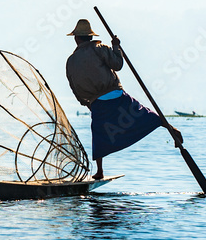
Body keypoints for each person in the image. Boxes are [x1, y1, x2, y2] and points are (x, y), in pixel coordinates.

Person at [65, 18, 180, 179]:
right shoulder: (100, 48)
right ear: (90, 37)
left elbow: (74, 86)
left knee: (98, 134)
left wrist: (85, 103)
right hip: (116, 95)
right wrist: (116, 46)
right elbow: (117, 64)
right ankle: (171, 129)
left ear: (76, 38)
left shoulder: (71, 61)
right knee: (144, 114)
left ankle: (100, 171)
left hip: (97, 102)